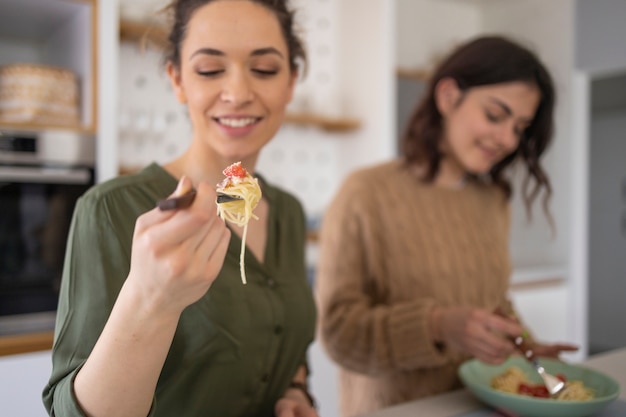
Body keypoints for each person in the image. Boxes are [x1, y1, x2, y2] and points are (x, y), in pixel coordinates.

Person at [42, 1, 319, 416]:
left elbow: (284, 338)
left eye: (264, 69)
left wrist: (296, 390)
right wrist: (151, 299)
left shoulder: (289, 213)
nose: (239, 93)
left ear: (291, 82)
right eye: (209, 70)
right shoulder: (110, 209)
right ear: (177, 79)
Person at [315, 35, 578, 417]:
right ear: (448, 96)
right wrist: (436, 326)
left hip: (481, 406)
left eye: (520, 128)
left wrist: (525, 349)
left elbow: (495, 305)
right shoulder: (364, 194)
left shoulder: (492, 201)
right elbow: (340, 336)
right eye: (494, 115)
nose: (507, 139)